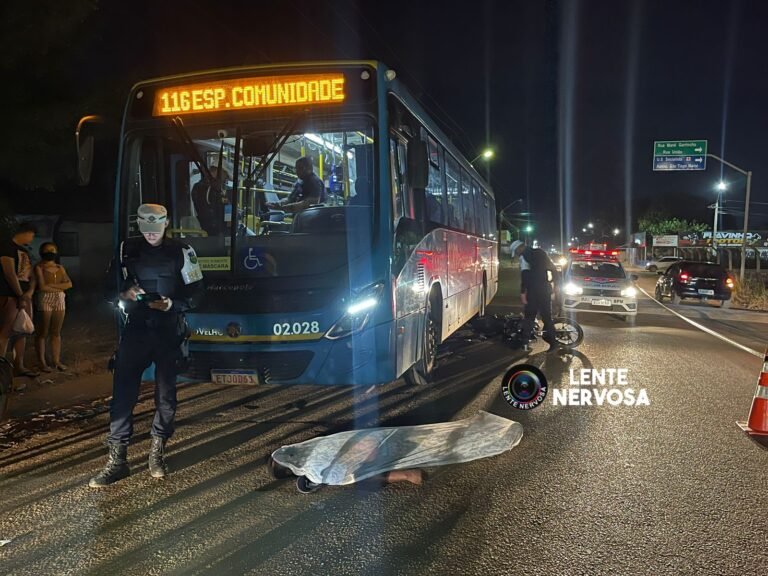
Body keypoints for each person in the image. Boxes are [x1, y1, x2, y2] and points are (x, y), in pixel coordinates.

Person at [90, 203, 204, 488]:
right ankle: (117, 461)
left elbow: (198, 292)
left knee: (166, 397)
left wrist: (172, 304)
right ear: (140, 226)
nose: (152, 234)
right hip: (136, 329)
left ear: (166, 224)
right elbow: (106, 289)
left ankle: (157, 454)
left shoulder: (182, 250)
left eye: (157, 228)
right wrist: (124, 292)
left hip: (168, 331)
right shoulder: (125, 250)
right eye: (147, 229)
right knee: (122, 397)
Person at [0, 222, 38, 383]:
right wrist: (20, 295)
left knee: (23, 330)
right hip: (9, 295)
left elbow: (30, 276)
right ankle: (1, 369)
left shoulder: (24, 251)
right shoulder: (7, 248)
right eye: (32, 235)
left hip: (23, 296)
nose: (32, 238)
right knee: (5, 332)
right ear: (26, 232)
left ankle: (19, 365)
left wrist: (28, 293)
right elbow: (9, 273)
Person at [510, 239, 560, 353]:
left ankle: (525, 343)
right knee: (546, 317)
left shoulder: (524, 258)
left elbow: (525, 277)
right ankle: (553, 343)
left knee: (529, 316)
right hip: (545, 290)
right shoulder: (541, 252)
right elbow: (553, 269)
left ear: (520, 248)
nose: (518, 255)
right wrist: (555, 284)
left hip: (533, 292)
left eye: (517, 252)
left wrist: (523, 292)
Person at [33, 242, 72, 372]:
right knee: (42, 332)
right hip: (45, 299)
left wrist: (52, 287)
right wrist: (60, 287)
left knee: (56, 332)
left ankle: (56, 361)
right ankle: (42, 362)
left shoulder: (60, 267)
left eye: (52, 249)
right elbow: (42, 287)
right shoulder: (39, 268)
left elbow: (69, 284)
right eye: (47, 250)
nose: (50, 252)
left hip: (59, 299)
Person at [191, 166, 228, 235]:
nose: (225, 178)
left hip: (216, 228)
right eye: (224, 174)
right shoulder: (203, 189)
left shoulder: (215, 188)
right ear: (216, 172)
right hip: (213, 230)